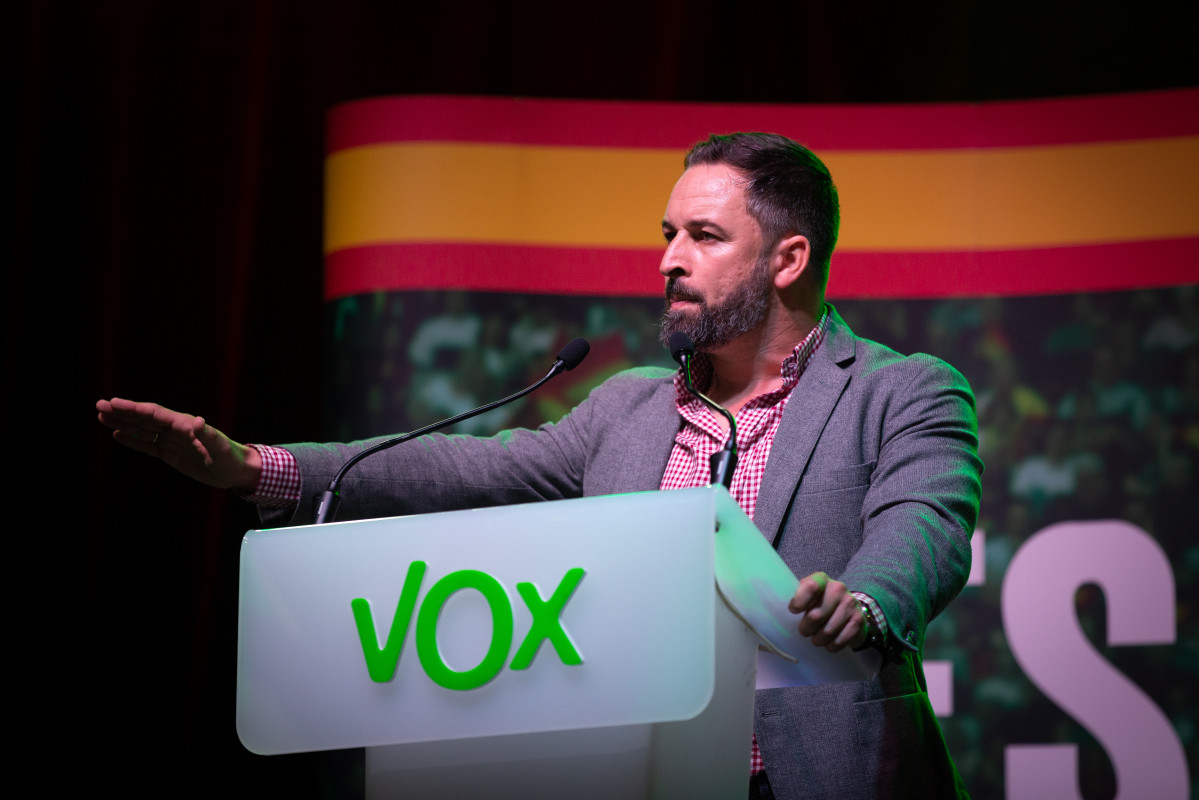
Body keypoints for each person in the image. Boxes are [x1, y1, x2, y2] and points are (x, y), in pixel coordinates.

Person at [98, 132, 981, 799]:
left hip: (819, 776)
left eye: (703, 237)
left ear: (788, 259)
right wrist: (256, 468)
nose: (668, 260)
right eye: (667, 233)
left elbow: (925, 527)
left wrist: (863, 603)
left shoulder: (901, 391)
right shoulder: (627, 405)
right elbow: (458, 472)